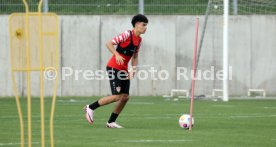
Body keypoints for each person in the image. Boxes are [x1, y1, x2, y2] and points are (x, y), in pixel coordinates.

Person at [83, 14, 148, 128]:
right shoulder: (127, 34)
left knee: (125, 97)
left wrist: (133, 69)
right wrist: (116, 54)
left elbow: (135, 56)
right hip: (114, 67)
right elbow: (109, 43)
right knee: (117, 96)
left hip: (123, 69)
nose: (145, 27)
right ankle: (91, 107)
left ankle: (111, 122)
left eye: (146, 25)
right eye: (143, 25)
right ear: (137, 24)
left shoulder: (139, 40)